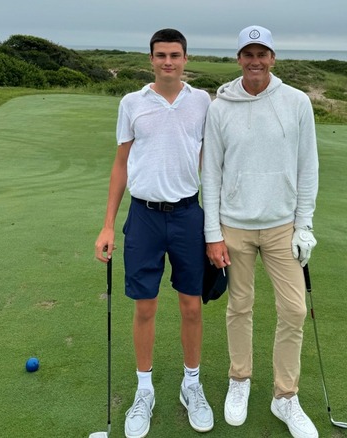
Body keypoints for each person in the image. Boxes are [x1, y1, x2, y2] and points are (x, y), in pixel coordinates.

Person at [201, 25, 320, 438]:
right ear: (238, 59)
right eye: (248, 53)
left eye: (262, 53)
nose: (255, 61)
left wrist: (304, 225)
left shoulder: (297, 102)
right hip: (234, 226)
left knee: (294, 310)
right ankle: (240, 380)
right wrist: (212, 233)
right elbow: (210, 173)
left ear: (272, 58)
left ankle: (285, 396)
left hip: (281, 226)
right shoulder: (220, 106)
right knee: (240, 307)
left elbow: (308, 167)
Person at [94, 28, 214, 438]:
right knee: (144, 307)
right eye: (161, 55)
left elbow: (209, 165)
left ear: (186, 58)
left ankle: (191, 384)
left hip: (187, 216)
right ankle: (144, 391)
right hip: (143, 217)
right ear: (150, 59)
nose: (168, 62)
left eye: (175, 55)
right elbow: (120, 165)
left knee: (192, 306)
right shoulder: (132, 103)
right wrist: (108, 224)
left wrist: (214, 227)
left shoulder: (202, 102)